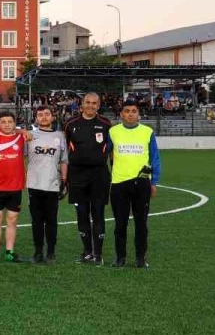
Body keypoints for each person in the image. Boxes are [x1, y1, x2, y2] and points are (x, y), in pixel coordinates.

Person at [109, 101, 160, 268]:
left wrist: (154, 182)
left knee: (141, 224)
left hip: (142, 183)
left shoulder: (147, 132)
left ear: (139, 114)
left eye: (133, 111)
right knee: (120, 223)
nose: (130, 114)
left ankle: (140, 258)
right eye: (126, 111)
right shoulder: (113, 131)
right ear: (121, 114)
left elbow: (155, 158)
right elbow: (102, 152)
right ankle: (120, 257)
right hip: (119, 183)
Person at [65, 91, 112, 265]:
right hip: (77, 175)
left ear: (98, 106)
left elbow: (111, 148)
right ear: (82, 104)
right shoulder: (70, 124)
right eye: (88, 102)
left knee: (98, 214)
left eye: (94, 103)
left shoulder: (106, 124)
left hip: (99, 175)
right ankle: (87, 252)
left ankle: (98, 254)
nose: (91, 105)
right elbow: (66, 147)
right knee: (82, 214)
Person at [25, 105, 68, 264]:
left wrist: (64, 180)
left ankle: (50, 252)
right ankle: (37, 252)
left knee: (51, 220)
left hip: (52, 184)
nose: (44, 117)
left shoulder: (60, 136)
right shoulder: (30, 136)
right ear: (36, 118)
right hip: (34, 184)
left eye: (47, 114)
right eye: (40, 114)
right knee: (36, 221)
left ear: (53, 117)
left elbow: (64, 159)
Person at [0, 111, 27, 263]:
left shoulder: (21, 138)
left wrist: (22, 130)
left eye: (10, 122)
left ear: (14, 123)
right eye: (3, 122)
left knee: (12, 219)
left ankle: (10, 251)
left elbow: (31, 133)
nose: (7, 125)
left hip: (15, 186)